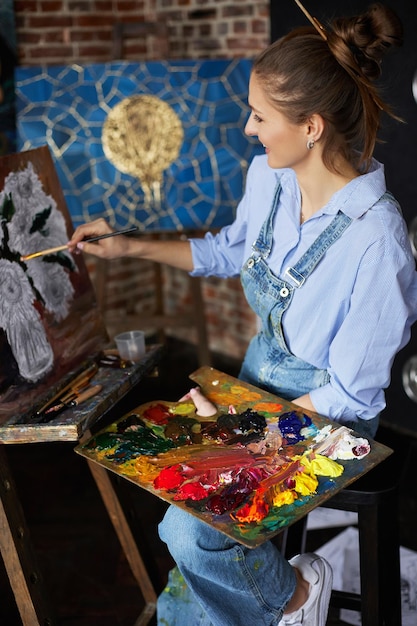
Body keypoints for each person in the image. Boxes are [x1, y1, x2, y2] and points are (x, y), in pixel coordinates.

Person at [69, 2, 417, 624]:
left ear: (310, 126)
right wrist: (126, 243)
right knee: (176, 491)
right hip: (256, 384)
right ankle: (264, 601)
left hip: (327, 418)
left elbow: (351, 396)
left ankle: (296, 596)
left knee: (188, 533)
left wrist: (240, 431)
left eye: (260, 116)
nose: (249, 129)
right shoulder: (270, 179)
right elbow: (226, 250)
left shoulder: (376, 238)